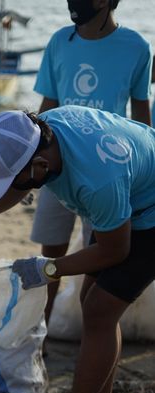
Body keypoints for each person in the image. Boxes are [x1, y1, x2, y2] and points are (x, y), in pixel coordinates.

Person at [0, 106, 155, 393]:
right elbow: (20, 181)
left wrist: (48, 268)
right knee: (92, 297)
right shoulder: (38, 132)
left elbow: (114, 252)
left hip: (147, 211)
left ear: (41, 167)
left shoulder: (97, 179)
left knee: (100, 310)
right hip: (128, 197)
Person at [30, 0, 152, 326]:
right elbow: (47, 104)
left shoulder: (136, 47)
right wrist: (31, 160)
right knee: (51, 246)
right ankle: (41, 328)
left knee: (96, 253)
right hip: (55, 162)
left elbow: (141, 111)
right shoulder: (59, 41)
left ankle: (93, 332)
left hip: (106, 170)